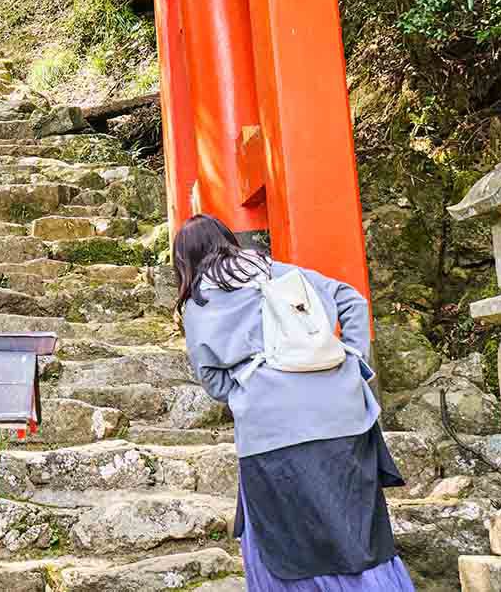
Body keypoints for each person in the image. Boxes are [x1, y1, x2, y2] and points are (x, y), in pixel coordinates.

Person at [175, 215, 415, 591]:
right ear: (228, 240)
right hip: (345, 415)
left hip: (273, 432)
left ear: (184, 261)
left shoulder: (199, 302)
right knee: (357, 531)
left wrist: (247, 392)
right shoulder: (277, 271)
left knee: (288, 539)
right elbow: (351, 298)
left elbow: (213, 380)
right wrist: (353, 359)